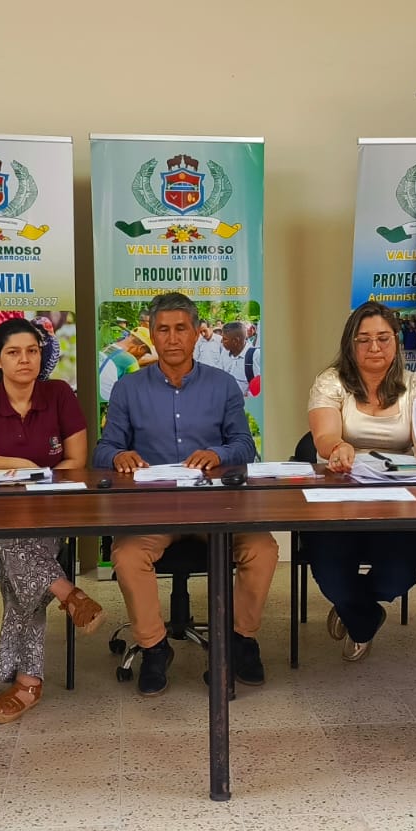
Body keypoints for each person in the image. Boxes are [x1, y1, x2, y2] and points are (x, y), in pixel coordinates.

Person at [94, 291, 278, 696]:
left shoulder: (223, 385)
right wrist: (119, 455)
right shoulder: (128, 389)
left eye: (181, 328)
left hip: (215, 505)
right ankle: (154, 647)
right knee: (127, 556)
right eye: (163, 330)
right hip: (153, 509)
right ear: (153, 335)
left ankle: (241, 640)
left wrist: (218, 453)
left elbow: (244, 445)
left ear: (196, 333)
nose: (173, 338)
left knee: (262, 548)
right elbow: (103, 451)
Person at [0, 318, 100, 723]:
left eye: (32, 351)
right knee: (17, 549)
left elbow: (77, 461)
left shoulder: (59, 394)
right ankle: (67, 593)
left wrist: (40, 481)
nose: (25, 359)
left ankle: (26, 683)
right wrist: (14, 463)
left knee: (22, 569)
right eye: (14, 352)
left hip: (47, 512)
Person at [307, 302, 416, 660]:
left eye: (383, 338)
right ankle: (364, 617)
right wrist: (337, 446)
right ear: (350, 344)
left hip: (400, 498)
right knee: (330, 574)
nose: (374, 347)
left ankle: (354, 608)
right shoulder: (331, 381)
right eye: (363, 339)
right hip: (341, 492)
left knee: (402, 574)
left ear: (396, 341)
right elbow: (324, 436)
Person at [98, 326, 154, 403]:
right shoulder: (130, 361)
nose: (143, 356)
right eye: (145, 353)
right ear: (141, 348)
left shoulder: (105, 349)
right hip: (103, 403)